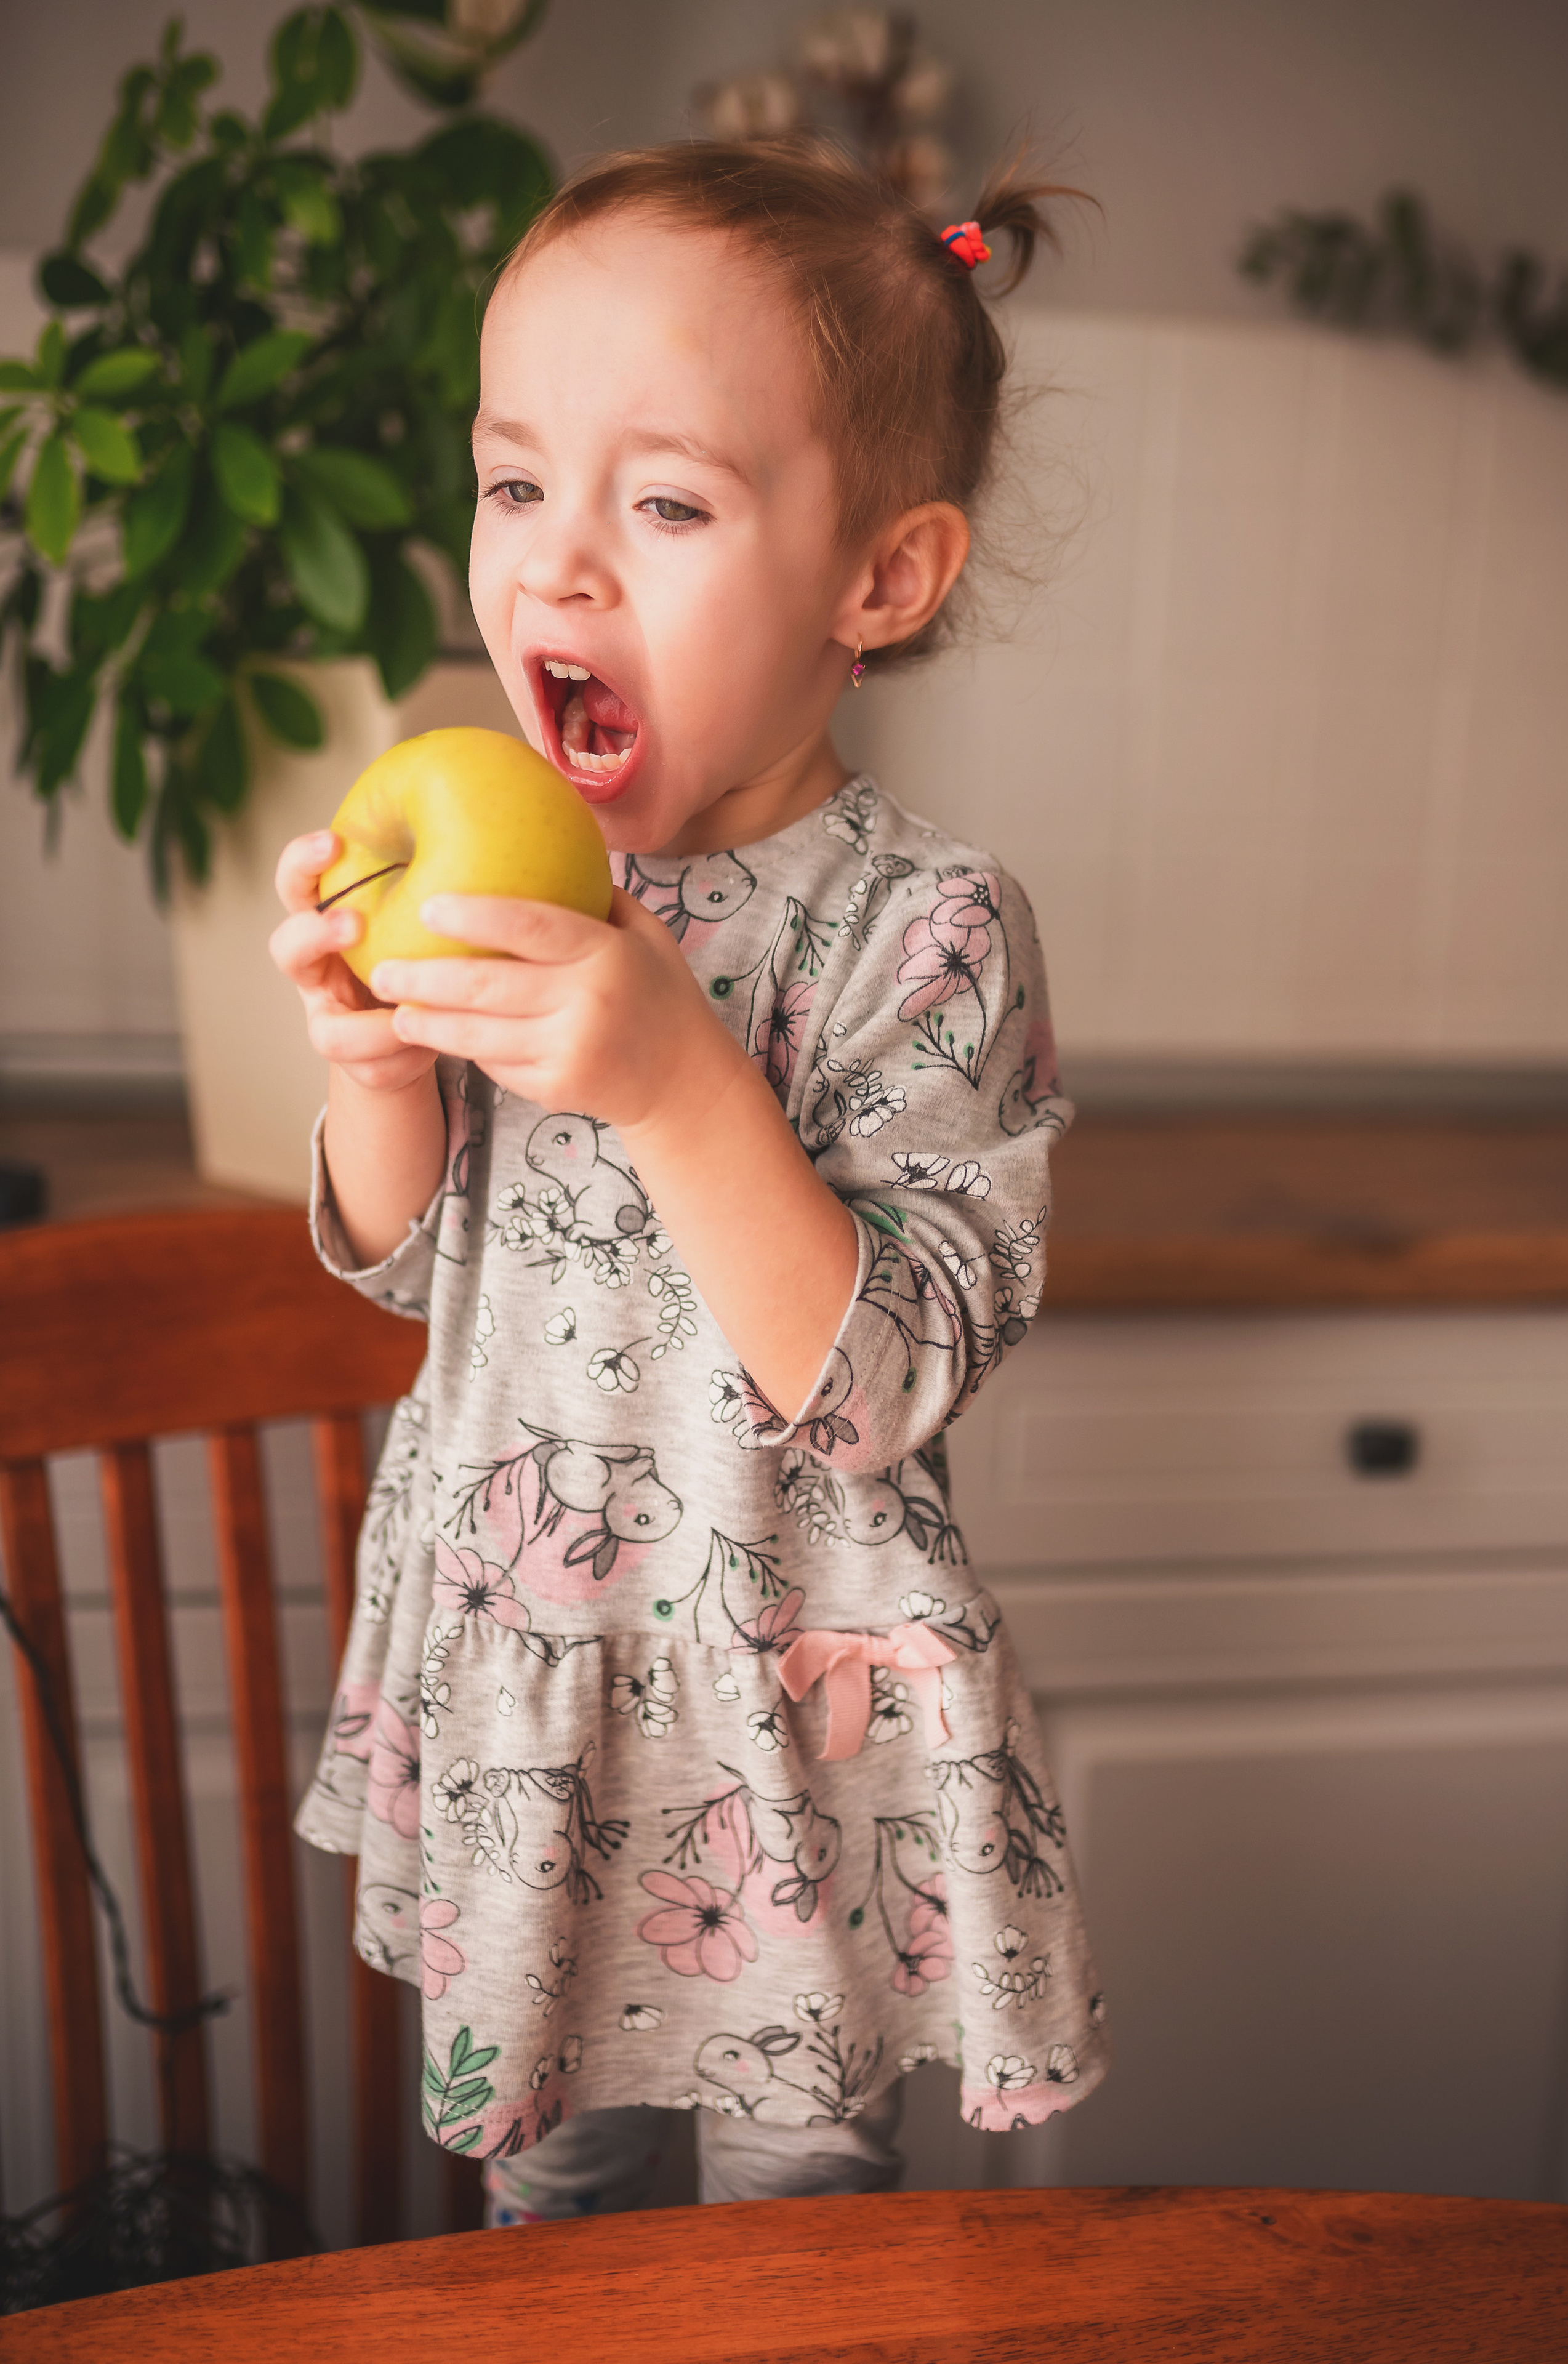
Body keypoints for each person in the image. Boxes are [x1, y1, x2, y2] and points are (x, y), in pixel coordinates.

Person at [270, 135, 1107, 2222]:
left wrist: (674, 1077)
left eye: (664, 503)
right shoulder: (516, 875)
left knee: (797, 2240)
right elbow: (404, 1267)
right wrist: (374, 1068)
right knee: (546, 2225)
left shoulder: (930, 929)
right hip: (534, 1694)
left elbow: (891, 1372)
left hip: (782, 1736)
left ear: (880, 580)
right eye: (514, 481)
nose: (556, 567)